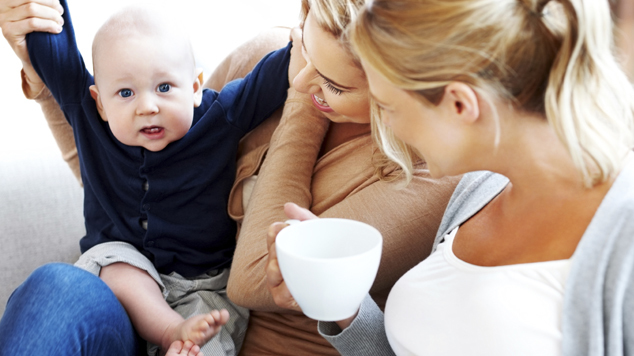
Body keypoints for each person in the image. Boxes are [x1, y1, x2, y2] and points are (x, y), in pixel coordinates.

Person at [0, 0, 459, 355]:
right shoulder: (268, 54)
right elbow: (140, 184)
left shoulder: (426, 174)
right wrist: (45, 72)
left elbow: (250, 282)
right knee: (56, 288)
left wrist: (302, 109)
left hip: (215, 328)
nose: (298, 81)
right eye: (306, 52)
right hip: (131, 303)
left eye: (332, 84)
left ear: (398, 83)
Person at [266, 0, 634, 355]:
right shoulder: (481, 190)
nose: (387, 125)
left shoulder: (623, 242)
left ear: (460, 105)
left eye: (389, 107)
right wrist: (342, 300)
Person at [18, 0, 294, 354]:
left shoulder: (220, 116)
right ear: (100, 102)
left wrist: (317, 30)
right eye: (126, 93)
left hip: (203, 287)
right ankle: (168, 329)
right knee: (115, 263)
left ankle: (181, 341)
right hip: (121, 276)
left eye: (164, 87)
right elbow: (50, 43)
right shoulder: (87, 116)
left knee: (207, 341)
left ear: (194, 87)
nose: (147, 106)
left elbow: (274, 75)